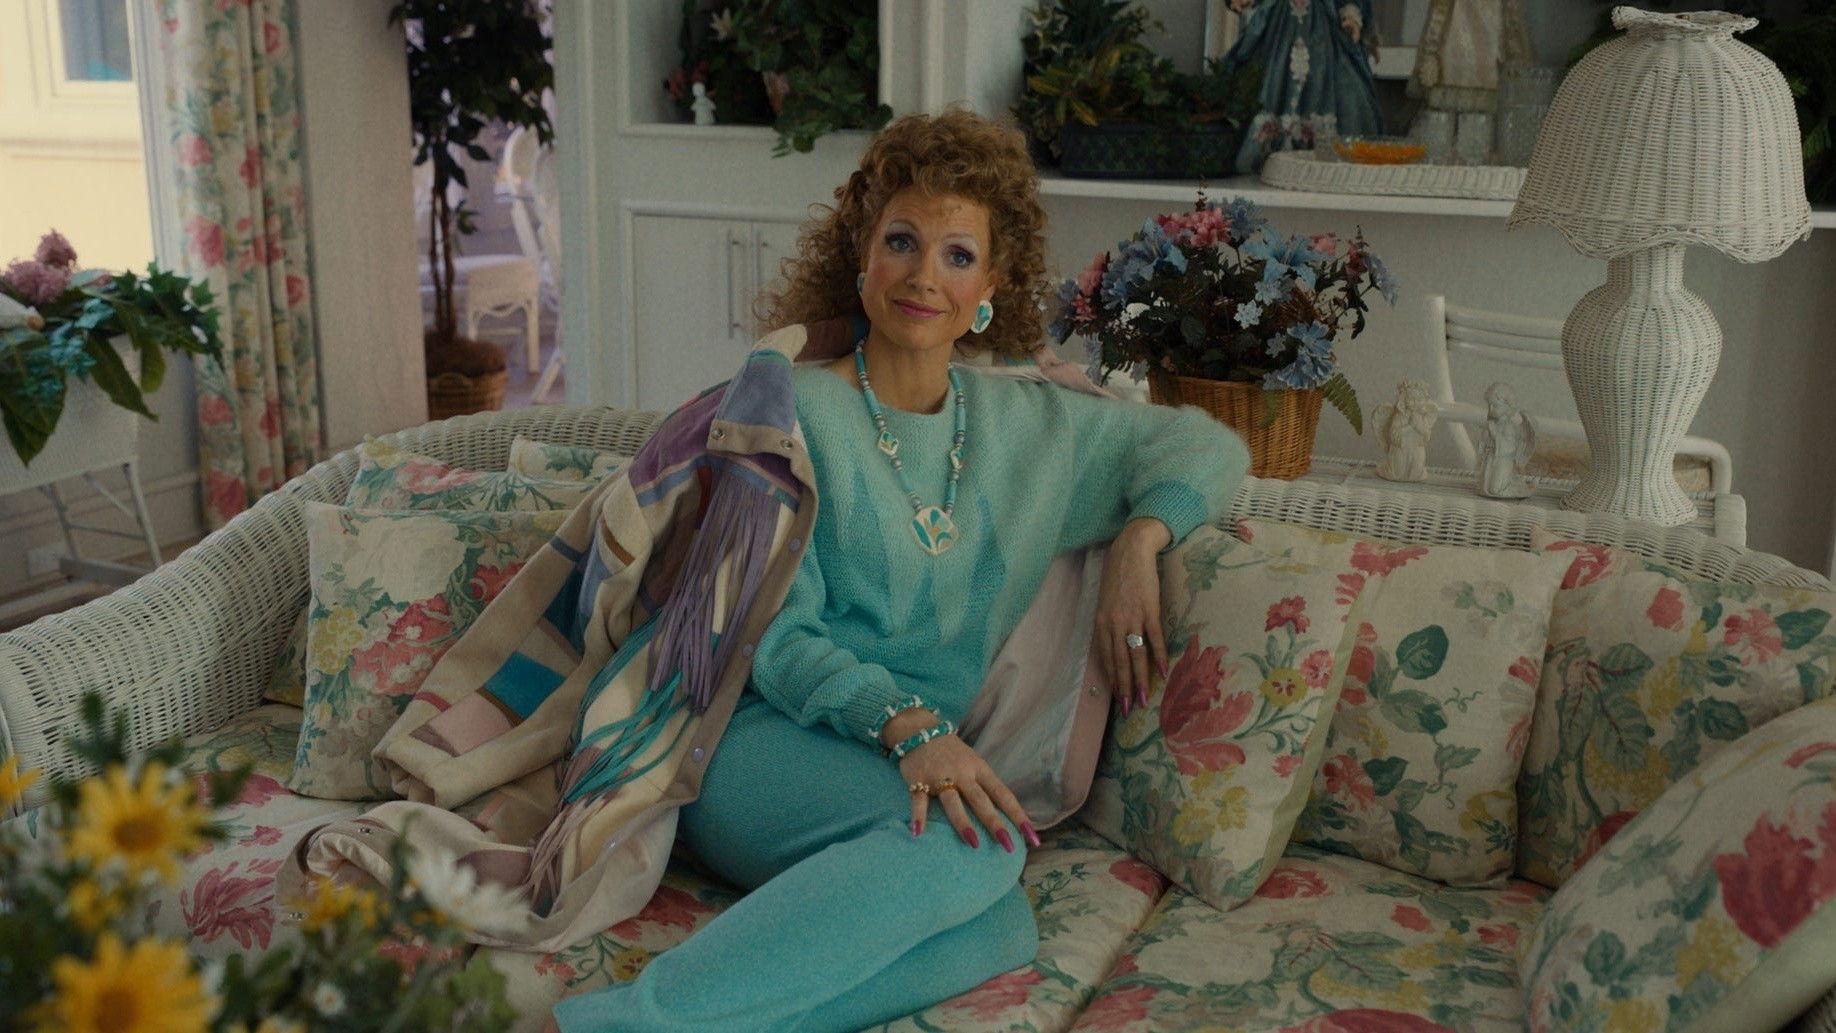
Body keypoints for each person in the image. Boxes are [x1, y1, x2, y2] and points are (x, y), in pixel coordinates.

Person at [545, 109, 1248, 1032]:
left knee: (1001, 929)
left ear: (990, 286)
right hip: (754, 737)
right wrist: (910, 726)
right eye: (902, 242)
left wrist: (1140, 539)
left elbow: (1205, 446)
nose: (924, 276)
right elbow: (772, 632)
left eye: (958, 255)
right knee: (980, 851)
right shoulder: (790, 409)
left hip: (900, 765)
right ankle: (615, 1024)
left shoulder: (1035, 431)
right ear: (863, 257)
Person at [1477, 380, 1536, 498]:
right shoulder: (1493, 423)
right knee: (1484, 485)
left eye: (1495, 405)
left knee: (1495, 490)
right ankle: (1510, 482)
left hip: (1504, 461)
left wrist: (1494, 434)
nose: (1491, 409)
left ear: (1508, 407)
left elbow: (1509, 447)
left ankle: (1518, 486)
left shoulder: (1509, 426)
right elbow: (1484, 441)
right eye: (1489, 405)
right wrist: (1484, 440)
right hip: (1491, 458)